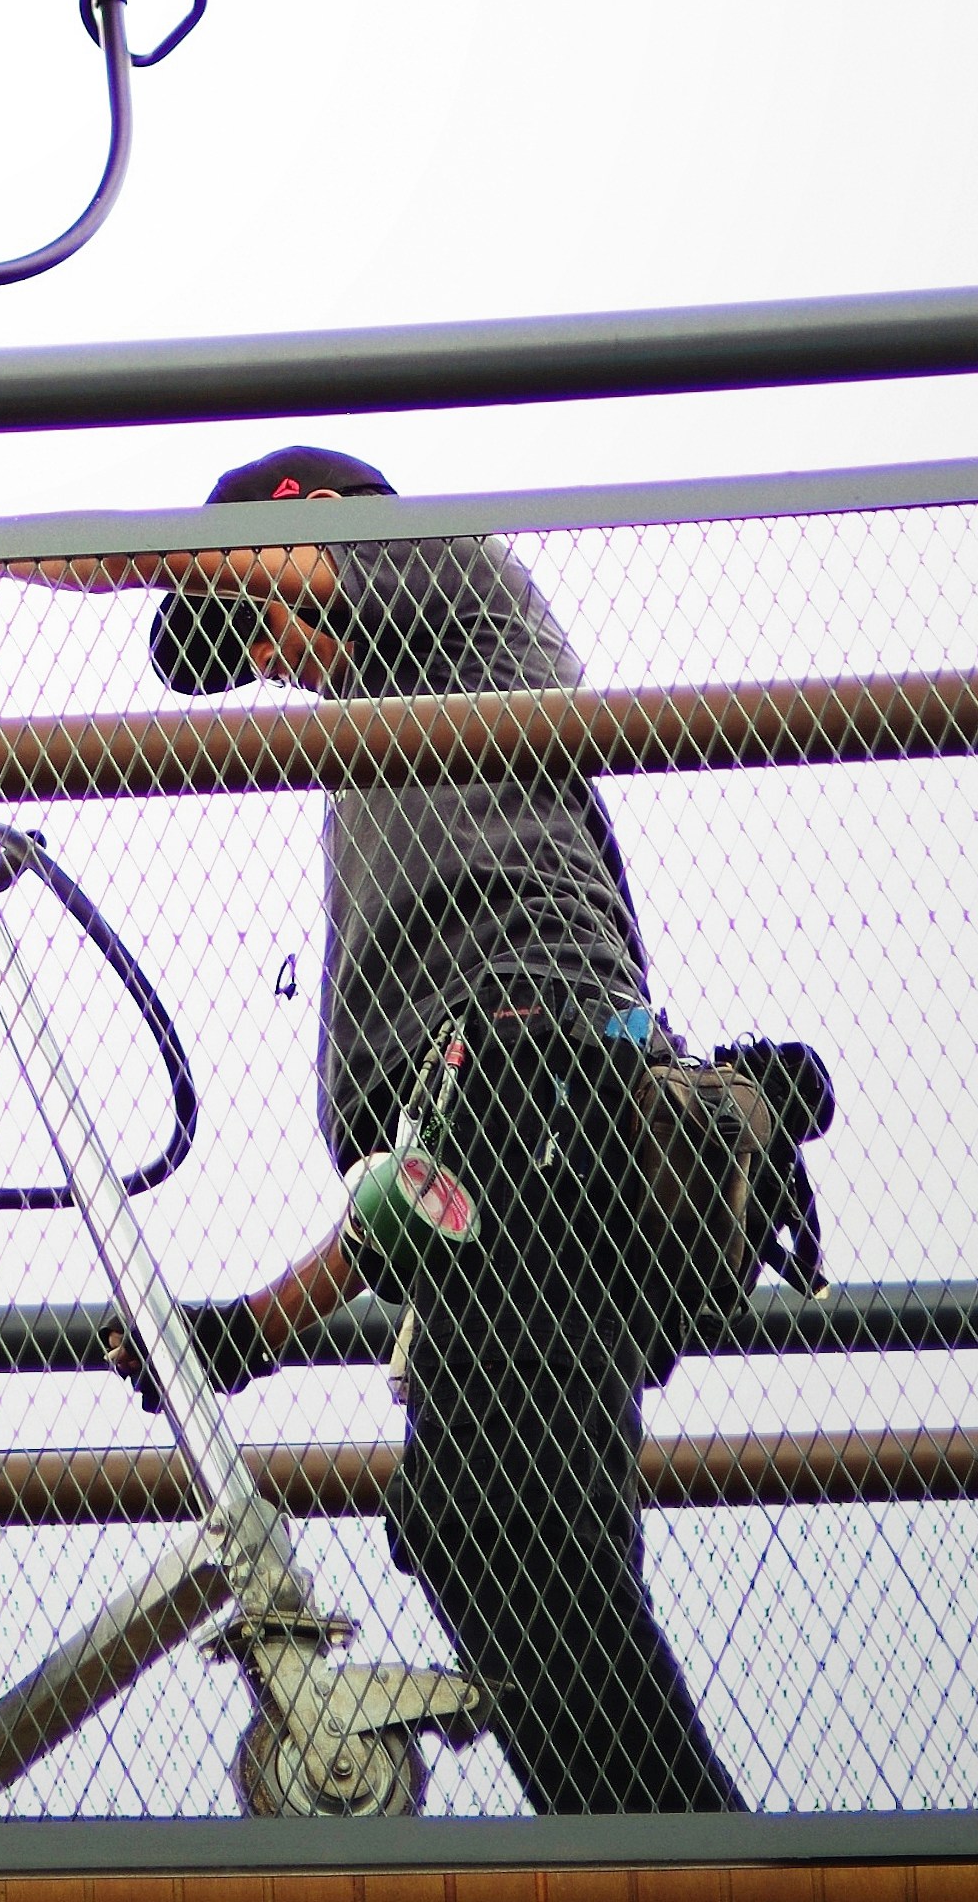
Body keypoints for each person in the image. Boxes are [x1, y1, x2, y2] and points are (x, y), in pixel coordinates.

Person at [44, 440, 745, 1819]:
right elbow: (425, 1179)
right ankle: (662, 1868)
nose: (273, 656)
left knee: (514, 1525)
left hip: (556, 1106)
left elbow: (480, 1125)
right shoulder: (377, 769)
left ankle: (705, 1889)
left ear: (306, 522)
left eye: (260, 618)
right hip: (507, 1146)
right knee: (472, 1529)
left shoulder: (436, 566)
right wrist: (261, 1325)